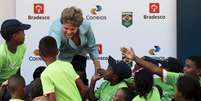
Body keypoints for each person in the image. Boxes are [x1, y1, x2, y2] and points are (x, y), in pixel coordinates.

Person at [48, 6, 102, 80]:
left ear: (78, 26)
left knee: (81, 80)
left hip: (80, 55)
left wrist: (97, 69)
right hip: (63, 59)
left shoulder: (86, 25)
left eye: (72, 29)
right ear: (62, 24)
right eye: (66, 28)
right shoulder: (56, 30)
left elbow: (92, 47)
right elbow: (54, 52)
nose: (69, 32)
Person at [38, 36, 88, 101]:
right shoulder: (68, 65)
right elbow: (84, 89)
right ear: (58, 51)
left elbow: (52, 100)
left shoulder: (45, 75)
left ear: (40, 54)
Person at [0, 19, 31, 85]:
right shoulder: (1, 54)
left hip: (11, 83)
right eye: (22, 32)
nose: (24, 35)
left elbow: (17, 68)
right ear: (15, 36)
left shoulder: (22, 47)